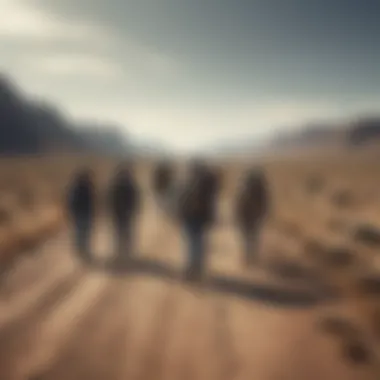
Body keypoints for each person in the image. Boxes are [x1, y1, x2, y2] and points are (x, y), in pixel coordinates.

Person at [177, 160, 220, 281]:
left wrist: (181, 214)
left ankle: (192, 268)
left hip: (192, 218)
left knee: (192, 244)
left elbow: (183, 201)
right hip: (199, 218)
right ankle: (197, 269)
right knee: (198, 244)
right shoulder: (205, 184)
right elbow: (210, 203)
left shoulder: (190, 182)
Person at [234, 168, 269, 266]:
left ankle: (247, 257)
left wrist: (237, 217)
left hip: (246, 217)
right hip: (255, 217)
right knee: (253, 237)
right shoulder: (261, 189)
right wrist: (262, 215)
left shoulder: (243, 188)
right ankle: (252, 257)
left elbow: (238, 204)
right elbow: (265, 204)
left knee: (246, 238)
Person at [108, 162, 140, 261]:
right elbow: (135, 200)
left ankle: (120, 252)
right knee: (125, 233)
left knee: (119, 233)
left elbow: (110, 200)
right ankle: (125, 253)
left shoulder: (115, 185)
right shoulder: (130, 185)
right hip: (125, 213)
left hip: (119, 213)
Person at [67, 168, 95, 260]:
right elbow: (92, 202)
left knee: (80, 233)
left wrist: (72, 213)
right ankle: (83, 251)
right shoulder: (88, 188)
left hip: (81, 214)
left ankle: (81, 251)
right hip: (85, 214)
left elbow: (71, 203)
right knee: (84, 233)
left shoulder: (76, 189)